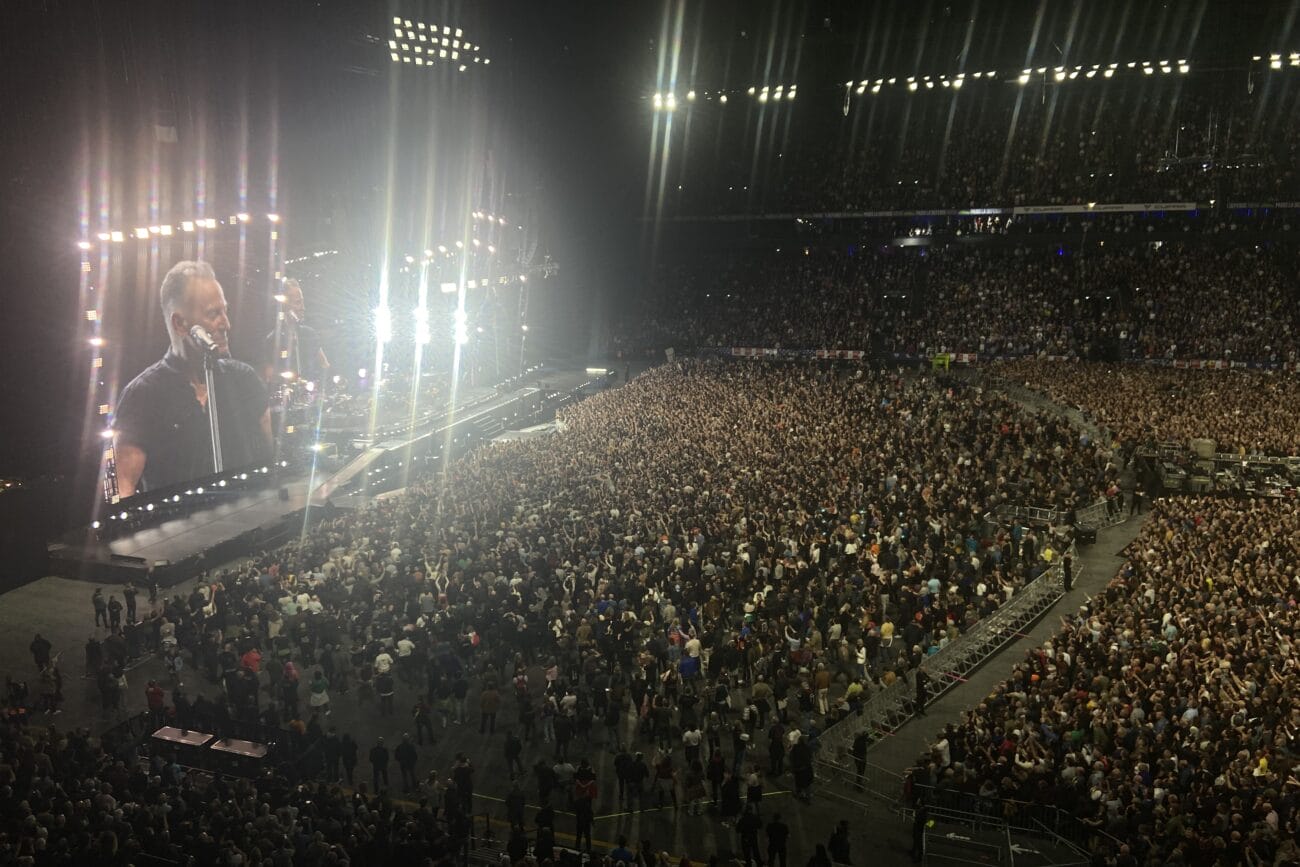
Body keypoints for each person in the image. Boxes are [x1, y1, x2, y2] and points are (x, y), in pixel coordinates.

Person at [113, 260, 272, 497]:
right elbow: (121, 488)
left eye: (224, 311)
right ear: (179, 323)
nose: (225, 324)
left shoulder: (245, 380)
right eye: (213, 314)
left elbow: (270, 459)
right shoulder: (142, 396)